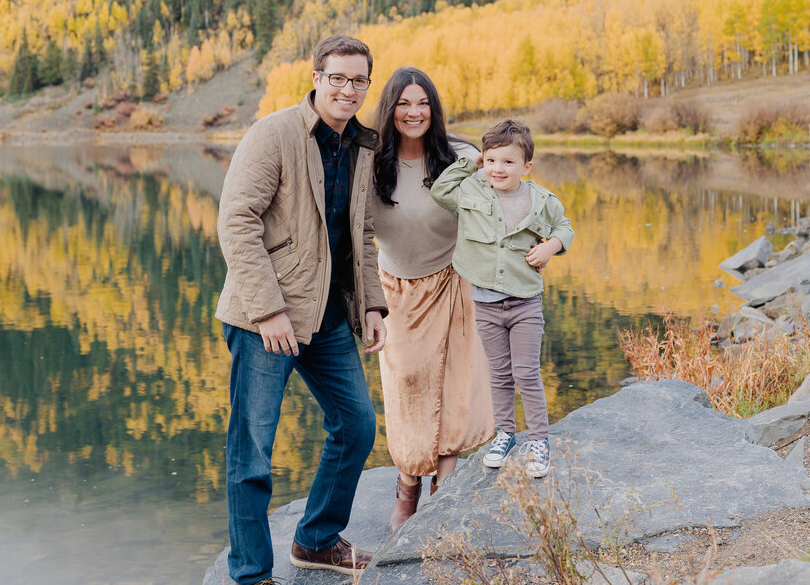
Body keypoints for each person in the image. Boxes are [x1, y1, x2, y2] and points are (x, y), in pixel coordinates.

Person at [216, 35, 388, 585]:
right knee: (253, 456)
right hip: (265, 319)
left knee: (357, 426)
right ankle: (250, 574)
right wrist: (268, 312)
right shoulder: (274, 133)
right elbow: (236, 221)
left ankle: (316, 540)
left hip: (329, 316)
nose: (347, 88)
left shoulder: (363, 144)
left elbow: (361, 232)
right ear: (316, 77)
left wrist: (373, 306)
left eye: (358, 79)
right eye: (336, 77)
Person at [371, 67, 494, 532]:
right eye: (404, 103)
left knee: (456, 386)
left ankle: (445, 491)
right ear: (390, 110)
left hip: (456, 282)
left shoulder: (460, 157)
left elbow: (505, 202)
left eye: (422, 103)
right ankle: (408, 487)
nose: (414, 112)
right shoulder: (372, 161)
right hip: (396, 290)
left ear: (434, 109)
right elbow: (355, 234)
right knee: (408, 389)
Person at [430, 118, 574, 479]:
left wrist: (552, 248)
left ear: (526, 166)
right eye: (492, 160)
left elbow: (564, 227)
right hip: (486, 302)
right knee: (498, 372)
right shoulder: (472, 190)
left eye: (508, 162)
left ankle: (539, 439)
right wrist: (471, 162)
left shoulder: (541, 199)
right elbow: (440, 191)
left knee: (526, 372)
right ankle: (505, 434)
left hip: (525, 300)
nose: (498, 169)